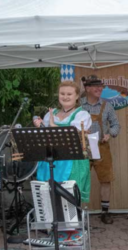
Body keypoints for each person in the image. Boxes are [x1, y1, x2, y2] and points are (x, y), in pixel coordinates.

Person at [33, 81, 92, 203]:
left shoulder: (82, 115)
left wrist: (53, 126)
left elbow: (73, 137)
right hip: (51, 161)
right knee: (48, 200)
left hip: (72, 161)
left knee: (69, 201)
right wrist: (40, 127)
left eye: (69, 94)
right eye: (62, 93)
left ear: (76, 97)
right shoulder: (50, 114)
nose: (65, 97)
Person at [80, 75, 120, 224]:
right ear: (87, 88)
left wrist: (111, 134)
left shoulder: (107, 106)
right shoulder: (79, 105)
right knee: (80, 179)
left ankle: (105, 212)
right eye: (95, 86)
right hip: (82, 148)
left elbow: (116, 125)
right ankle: (78, 212)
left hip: (101, 147)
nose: (99, 89)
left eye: (100, 86)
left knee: (105, 179)